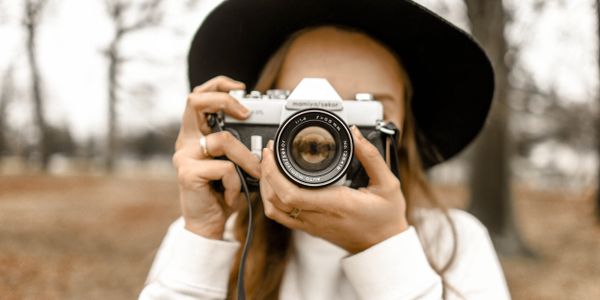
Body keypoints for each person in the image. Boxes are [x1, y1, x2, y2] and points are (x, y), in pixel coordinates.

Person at [140, 0, 511, 299]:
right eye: (305, 111)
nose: (334, 136)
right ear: (258, 120)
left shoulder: (455, 240)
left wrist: (385, 248)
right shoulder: (215, 234)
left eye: (364, 109)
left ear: (400, 132)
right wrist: (203, 238)